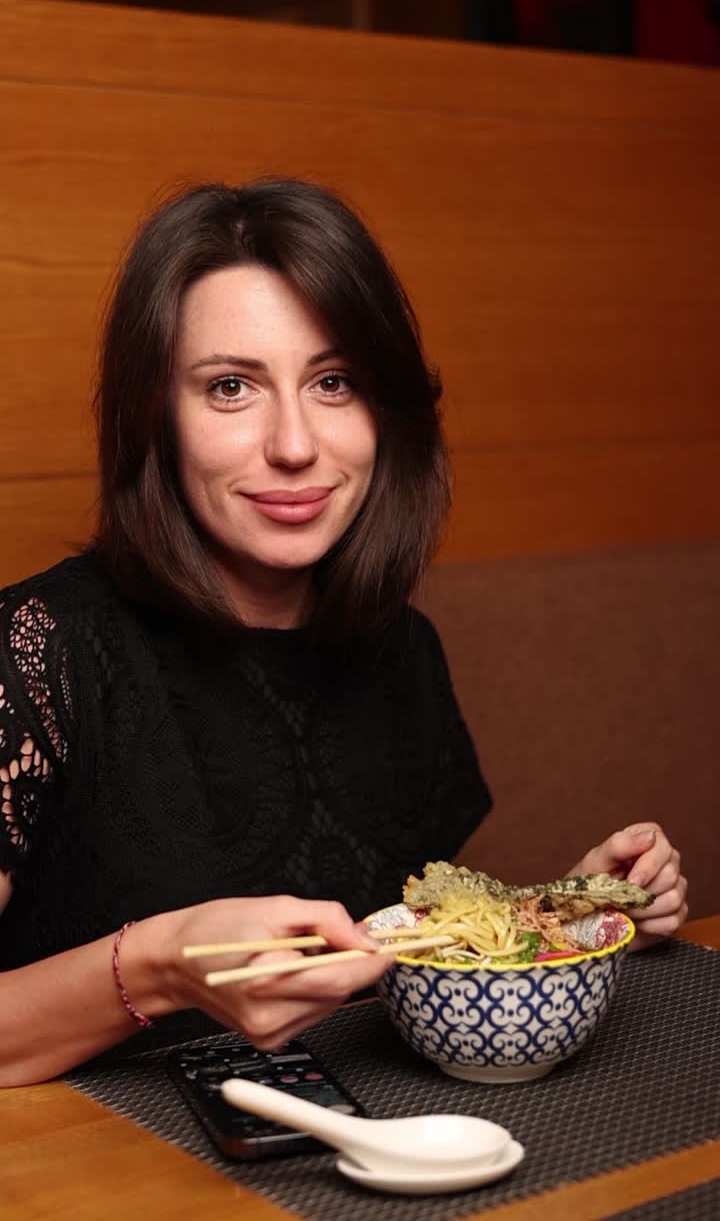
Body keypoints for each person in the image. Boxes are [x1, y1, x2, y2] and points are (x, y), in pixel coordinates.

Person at [0, 179, 687, 1087]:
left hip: (351, 1144)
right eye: (231, 387)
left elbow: (385, 949)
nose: (294, 444)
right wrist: (158, 965)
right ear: (154, 415)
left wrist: (565, 914)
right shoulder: (35, 650)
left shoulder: (404, 650)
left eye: (334, 383)